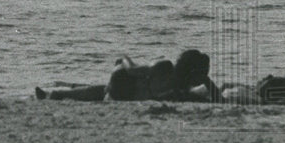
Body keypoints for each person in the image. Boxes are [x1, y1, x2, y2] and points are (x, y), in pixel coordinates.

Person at [36, 49, 221, 103]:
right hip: (125, 90)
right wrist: (206, 81)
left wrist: (123, 58)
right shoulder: (182, 89)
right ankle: (57, 94)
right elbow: (218, 100)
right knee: (101, 92)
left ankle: (54, 94)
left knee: (102, 90)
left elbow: (132, 69)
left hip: (122, 85)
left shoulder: (166, 68)